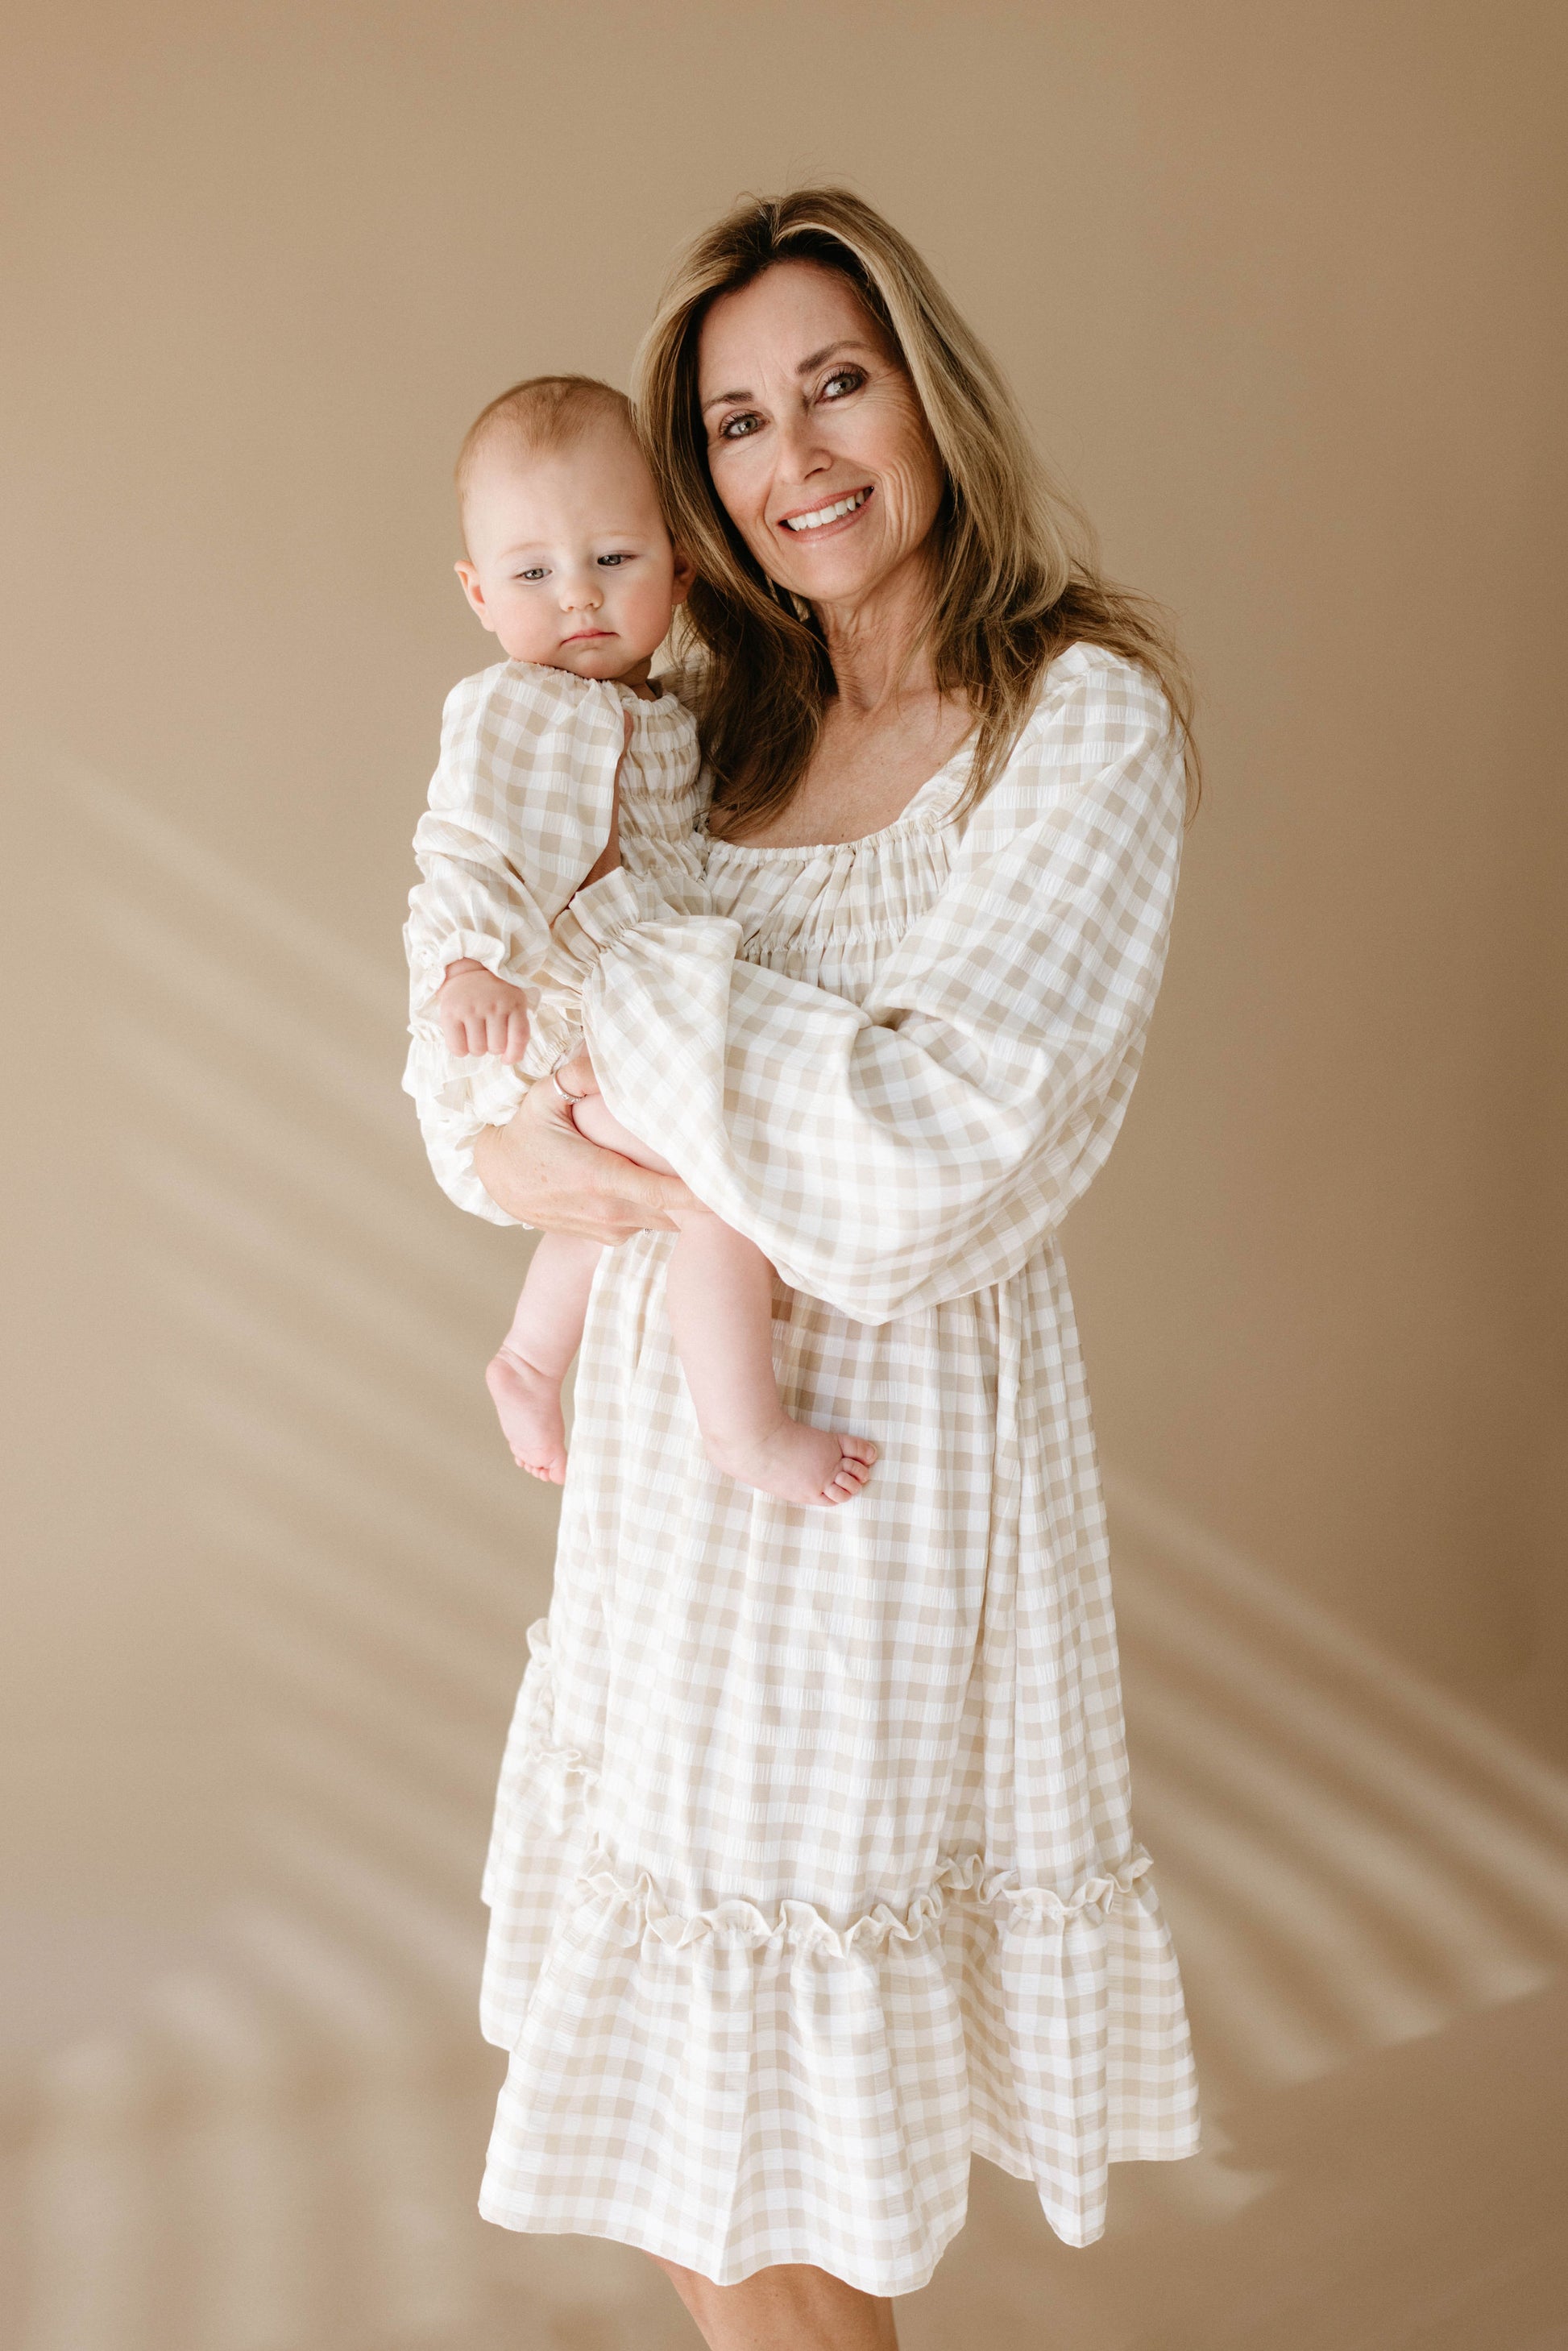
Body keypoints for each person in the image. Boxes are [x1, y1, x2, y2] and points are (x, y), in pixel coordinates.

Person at [407, 189, 1204, 2351]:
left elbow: (922, 1165)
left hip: (876, 1477)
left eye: (834, 382)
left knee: (791, 2137)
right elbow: (471, 1048)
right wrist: (520, 1118)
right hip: (669, 1493)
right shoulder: (699, 728)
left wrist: (616, 997)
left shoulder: (1077, 720)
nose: (797, 453)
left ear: (923, 389)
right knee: (676, 2117)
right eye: (739, 419)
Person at [404, 375, 877, 1505]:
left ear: (680, 564)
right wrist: (470, 962)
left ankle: (528, 1358)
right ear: (478, 591)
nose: (577, 598)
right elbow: (465, 841)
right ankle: (744, 1432)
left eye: (612, 559)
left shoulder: (667, 708)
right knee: (715, 1181)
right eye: (531, 574)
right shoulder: (512, 706)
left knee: (630, 1185)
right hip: (543, 1009)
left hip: (612, 1019)